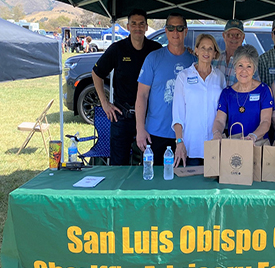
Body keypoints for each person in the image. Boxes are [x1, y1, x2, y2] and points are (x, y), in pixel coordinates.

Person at [91, 9, 161, 166]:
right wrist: (104, 102)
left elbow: (170, 59)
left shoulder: (155, 49)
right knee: (118, 165)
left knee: (149, 163)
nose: (138, 27)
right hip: (122, 116)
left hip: (148, 118)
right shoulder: (117, 49)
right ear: (128, 27)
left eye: (141, 24)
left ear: (146, 27)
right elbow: (97, 73)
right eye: (134, 24)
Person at [136, 13, 196, 164]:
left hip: (186, 135)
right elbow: (142, 95)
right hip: (156, 133)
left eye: (180, 28)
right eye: (171, 28)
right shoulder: (153, 58)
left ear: (186, 31)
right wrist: (140, 129)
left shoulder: (195, 61)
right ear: (165, 30)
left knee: (184, 184)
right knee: (155, 183)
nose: (175, 32)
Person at [172, 34, 226, 166]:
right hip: (191, 147)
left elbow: (224, 111)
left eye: (210, 49)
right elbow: (177, 114)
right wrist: (179, 142)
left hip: (214, 146)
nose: (206, 52)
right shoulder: (183, 76)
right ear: (196, 50)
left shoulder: (219, 77)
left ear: (215, 53)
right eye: (203, 48)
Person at [212, 45, 273, 141]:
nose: (244, 71)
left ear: (254, 70)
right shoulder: (227, 93)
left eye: (249, 66)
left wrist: (253, 136)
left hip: (257, 145)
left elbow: (266, 121)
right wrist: (217, 133)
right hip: (234, 147)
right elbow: (220, 120)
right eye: (240, 65)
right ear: (235, 67)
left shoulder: (264, 90)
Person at [214, 19, 258, 86]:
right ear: (224, 36)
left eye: (238, 35)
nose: (234, 38)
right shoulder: (214, 60)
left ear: (243, 37)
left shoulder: (250, 62)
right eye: (230, 35)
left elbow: (256, 87)